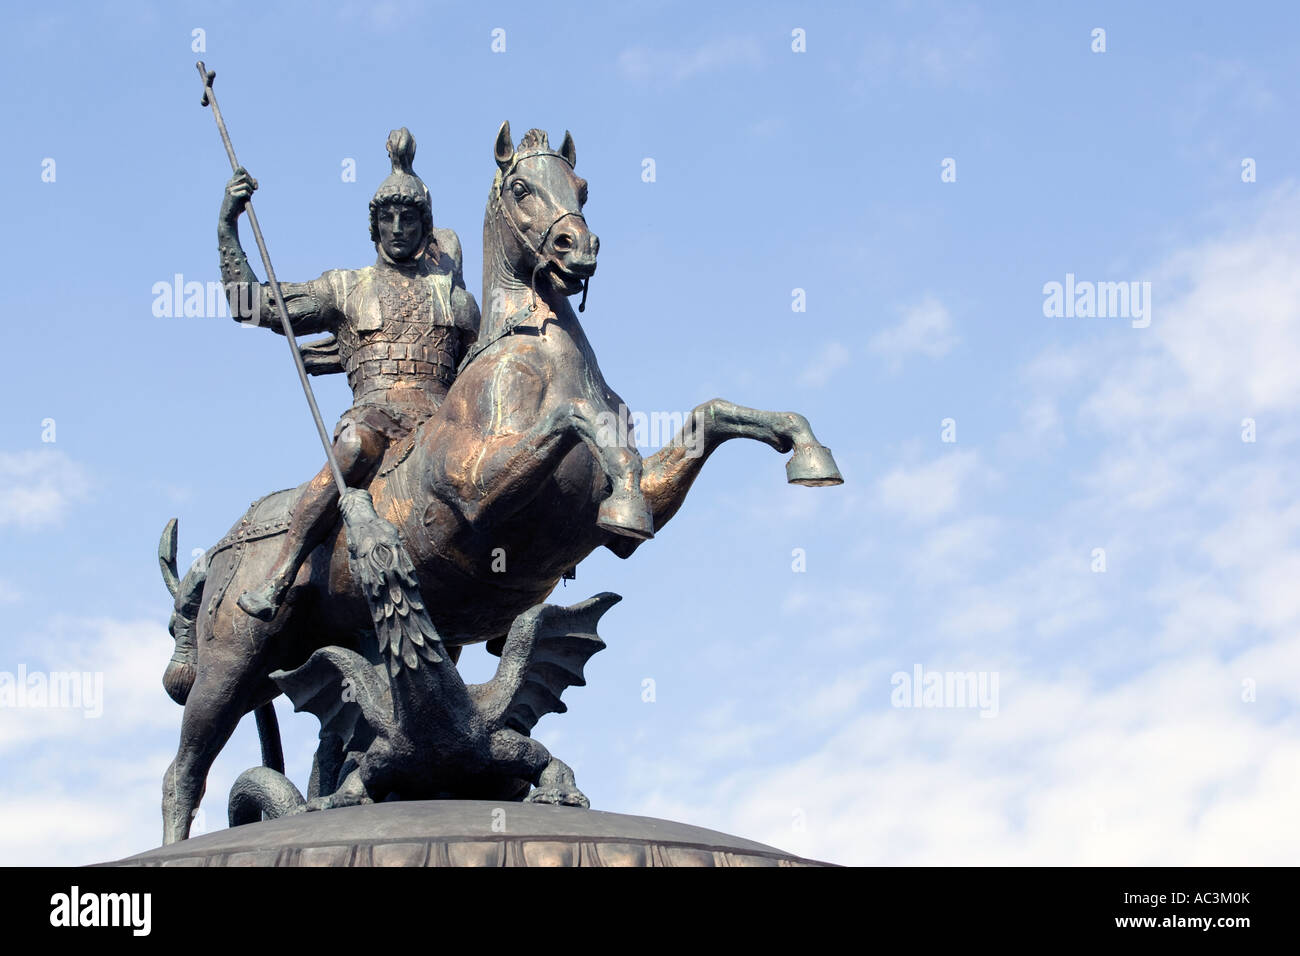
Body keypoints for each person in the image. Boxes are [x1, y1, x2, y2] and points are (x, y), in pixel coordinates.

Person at [218, 128, 479, 620]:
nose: (398, 227)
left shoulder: (458, 301)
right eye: (388, 217)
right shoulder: (345, 287)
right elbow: (251, 305)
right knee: (355, 448)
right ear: (375, 226)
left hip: (440, 428)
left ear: (426, 227)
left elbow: (478, 380)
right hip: (373, 418)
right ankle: (282, 570)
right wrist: (227, 227)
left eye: (409, 218)